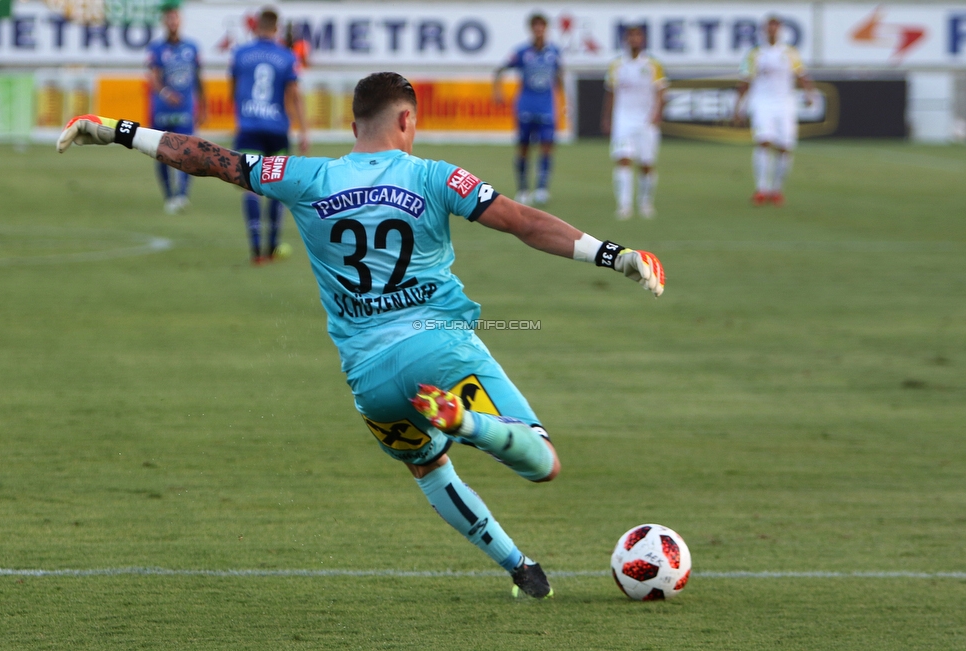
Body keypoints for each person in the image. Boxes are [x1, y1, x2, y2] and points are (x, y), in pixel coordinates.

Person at [56, 72, 665, 599]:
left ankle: (519, 566)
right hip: (439, 353)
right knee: (542, 462)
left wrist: (114, 129)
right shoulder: (434, 176)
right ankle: (472, 425)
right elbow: (524, 223)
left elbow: (206, 158)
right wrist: (615, 255)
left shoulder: (307, 177)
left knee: (430, 471)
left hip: (370, 382)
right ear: (406, 120)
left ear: (353, 127)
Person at [230, 7, 308, 264]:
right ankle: (273, 246)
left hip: (249, 127)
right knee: (276, 187)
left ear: (256, 27)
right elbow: (293, 94)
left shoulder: (240, 54)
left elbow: (234, 88)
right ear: (276, 29)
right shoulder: (286, 56)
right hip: (277, 129)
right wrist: (304, 130)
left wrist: (241, 116)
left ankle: (255, 250)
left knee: (250, 185)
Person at [735, 15, 815, 206]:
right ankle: (762, 189)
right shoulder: (754, 54)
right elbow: (745, 81)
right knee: (763, 141)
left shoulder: (790, 53)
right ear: (764, 30)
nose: (772, 31)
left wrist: (809, 94)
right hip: (762, 102)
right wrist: (738, 106)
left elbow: (802, 75)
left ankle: (777, 189)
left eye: (775, 27)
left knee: (785, 147)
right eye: (769, 27)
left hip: (785, 103)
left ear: (779, 30)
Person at [493, 14, 564, 206]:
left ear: (546, 28)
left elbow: (559, 75)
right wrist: (497, 92)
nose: (539, 30)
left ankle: (541, 188)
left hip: (547, 107)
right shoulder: (522, 52)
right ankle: (523, 188)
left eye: (542, 26)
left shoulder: (554, 52)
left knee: (547, 147)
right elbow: (500, 70)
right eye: (536, 27)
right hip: (526, 105)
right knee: (524, 148)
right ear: (531, 29)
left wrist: (563, 100)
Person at [601, 25, 667, 220]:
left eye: (638, 36)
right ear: (625, 40)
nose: (634, 40)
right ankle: (624, 205)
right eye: (631, 36)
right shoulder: (617, 65)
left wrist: (657, 114)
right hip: (623, 119)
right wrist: (607, 117)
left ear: (643, 39)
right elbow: (611, 92)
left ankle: (645, 202)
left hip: (646, 120)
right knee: (623, 159)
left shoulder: (653, 64)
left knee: (646, 163)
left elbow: (661, 92)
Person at [145, 4, 204, 214]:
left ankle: (182, 194)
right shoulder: (156, 49)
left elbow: (198, 78)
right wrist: (165, 94)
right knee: (162, 152)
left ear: (180, 21)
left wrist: (203, 106)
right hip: (162, 110)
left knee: (188, 152)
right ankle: (169, 195)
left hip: (185, 110)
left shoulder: (192, 48)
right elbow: (152, 78)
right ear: (164, 22)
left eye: (175, 19)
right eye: (169, 19)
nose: (172, 23)